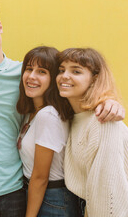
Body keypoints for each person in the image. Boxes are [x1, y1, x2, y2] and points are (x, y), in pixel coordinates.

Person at [0, 0, 125, 217]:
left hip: (14, 190)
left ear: (0, 28)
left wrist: (108, 100)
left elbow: (75, 79)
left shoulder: (23, 75)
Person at [57, 48, 128, 216]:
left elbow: (108, 193)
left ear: (94, 79)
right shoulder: (76, 119)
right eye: (61, 70)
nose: (64, 76)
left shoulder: (102, 121)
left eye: (76, 71)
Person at [16, 46, 79, 217]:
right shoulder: (33, 113)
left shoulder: (48, 115)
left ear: (53, 79)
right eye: (29, 69)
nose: (31, 76)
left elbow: (40, 177)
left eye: (42, 71)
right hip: (40, 195)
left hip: (52, 199)